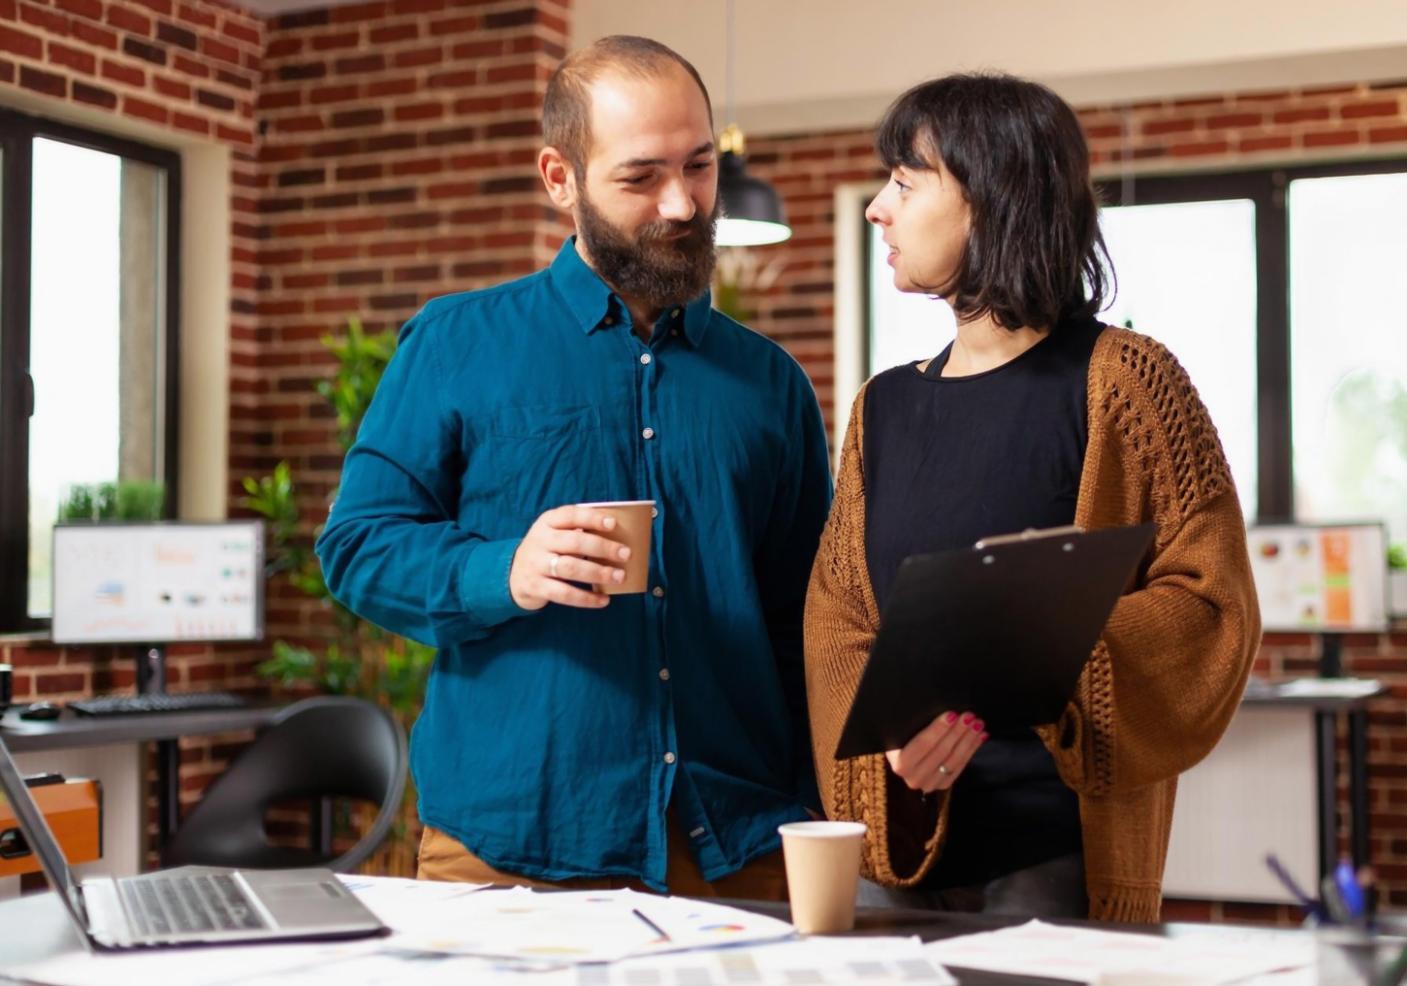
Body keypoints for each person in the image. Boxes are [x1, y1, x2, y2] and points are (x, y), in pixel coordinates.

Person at [316, 35, 832, 899]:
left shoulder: (769, 381)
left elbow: (807, 618)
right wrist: (502, 569)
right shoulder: (454, 343)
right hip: (510, 840)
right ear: (560, 178)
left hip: (741, 844)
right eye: (640, 177)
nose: (682, 202)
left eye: (699, 166)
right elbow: (358, 546)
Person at [802, 73, 1261, 923]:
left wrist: (1046, 651)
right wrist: (889, 743)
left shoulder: (1125, 381)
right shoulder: (882, 408)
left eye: (902, 184)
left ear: (990, 198)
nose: (876, 209)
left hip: (1058, 863)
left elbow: (1211, 606)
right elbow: (838, 612)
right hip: (896, 852)